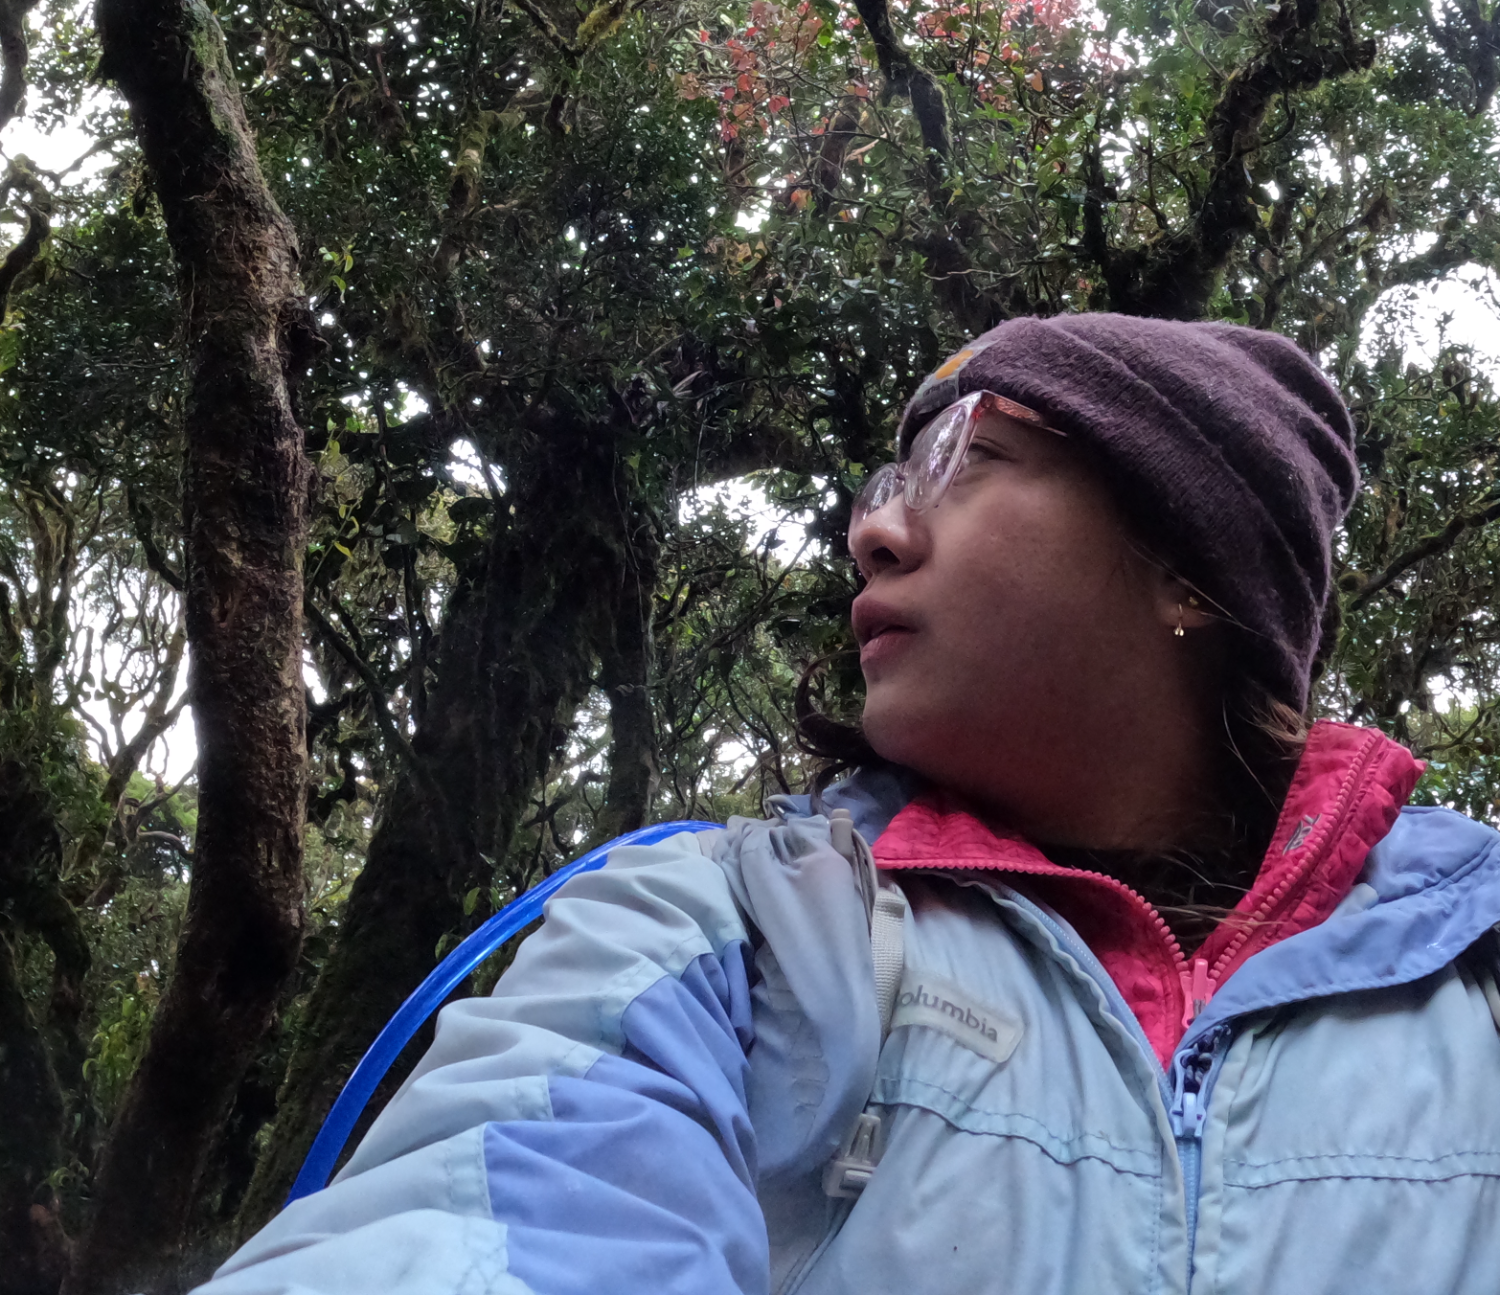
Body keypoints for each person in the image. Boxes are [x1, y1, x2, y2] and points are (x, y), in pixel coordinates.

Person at [204, 314, 1500, 1295]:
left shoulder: (1473, 970)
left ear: (1194, 568)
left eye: (968, 460)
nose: (873, 534)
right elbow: (492, 1221)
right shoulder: (728, 930)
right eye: (888, 486)